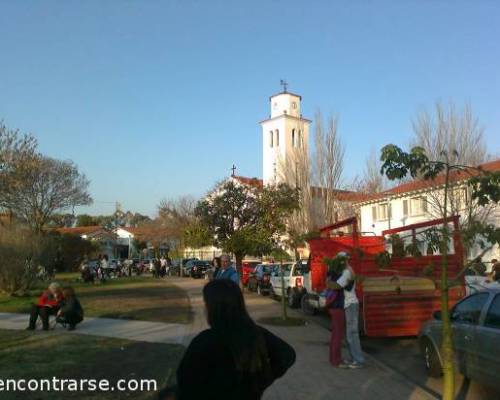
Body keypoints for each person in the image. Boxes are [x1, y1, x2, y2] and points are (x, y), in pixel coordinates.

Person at [160, 279, 296, 400]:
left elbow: (186, 384)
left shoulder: (204, 342)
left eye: (206, 303)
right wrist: (261, 381)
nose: (204, 308)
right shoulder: (255, 333)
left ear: (214, 308)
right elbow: (287, 354)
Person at [328, 251, 365, 368]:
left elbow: (337, 286)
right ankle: (355, 358)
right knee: (350, 334)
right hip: (349, 305)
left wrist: (328, 280)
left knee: (352, 334)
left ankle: (358, 361)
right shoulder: (346, 270)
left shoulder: (346, 272)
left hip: (351, 305)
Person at [325, 262, 347, 368]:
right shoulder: (337, 278)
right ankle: (336, 361)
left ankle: (333, 358)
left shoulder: (330, 277)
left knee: (335, 335)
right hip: (337, 307)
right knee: (338, 335)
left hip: (333, 307)